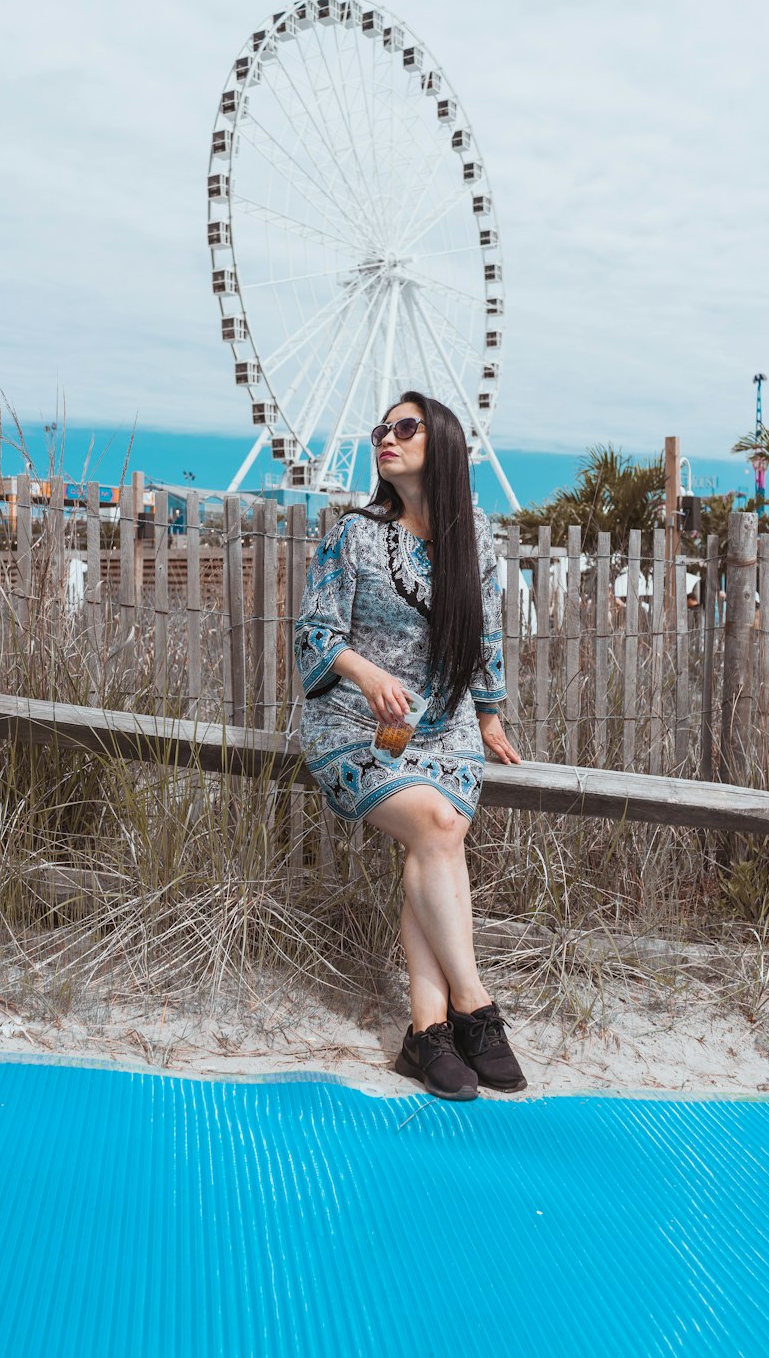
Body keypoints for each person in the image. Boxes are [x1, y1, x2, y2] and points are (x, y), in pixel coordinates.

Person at [293, 391, 527, 1101]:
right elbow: (313, 632)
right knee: (433, 826)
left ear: (445, 444)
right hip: (354, 723)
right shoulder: (353, 535)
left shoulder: (477, 537)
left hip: (445, 723)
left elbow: (485, 634)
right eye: (380, 430)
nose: (384, 439)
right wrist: (366, 674)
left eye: (404, 427)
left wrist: (489, 717)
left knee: (442, 831)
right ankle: (475, 1006)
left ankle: (425, 1033)